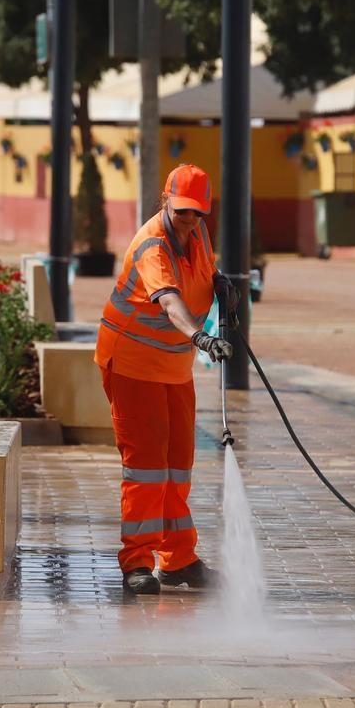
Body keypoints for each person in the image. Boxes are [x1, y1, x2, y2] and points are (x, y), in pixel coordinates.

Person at [94, 163, 237, 595]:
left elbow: (199, 274)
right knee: (147, 466)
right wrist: (201, 336)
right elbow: (171, 301)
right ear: (165, 202)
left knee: (178, 465)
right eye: (182, 212)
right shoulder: (151, 245)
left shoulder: (198, 234)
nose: (190, 220)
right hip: (132, 364)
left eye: (198, 213)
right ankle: (136, 560)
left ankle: (177, 560)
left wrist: (219, 283)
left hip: (174, 368)